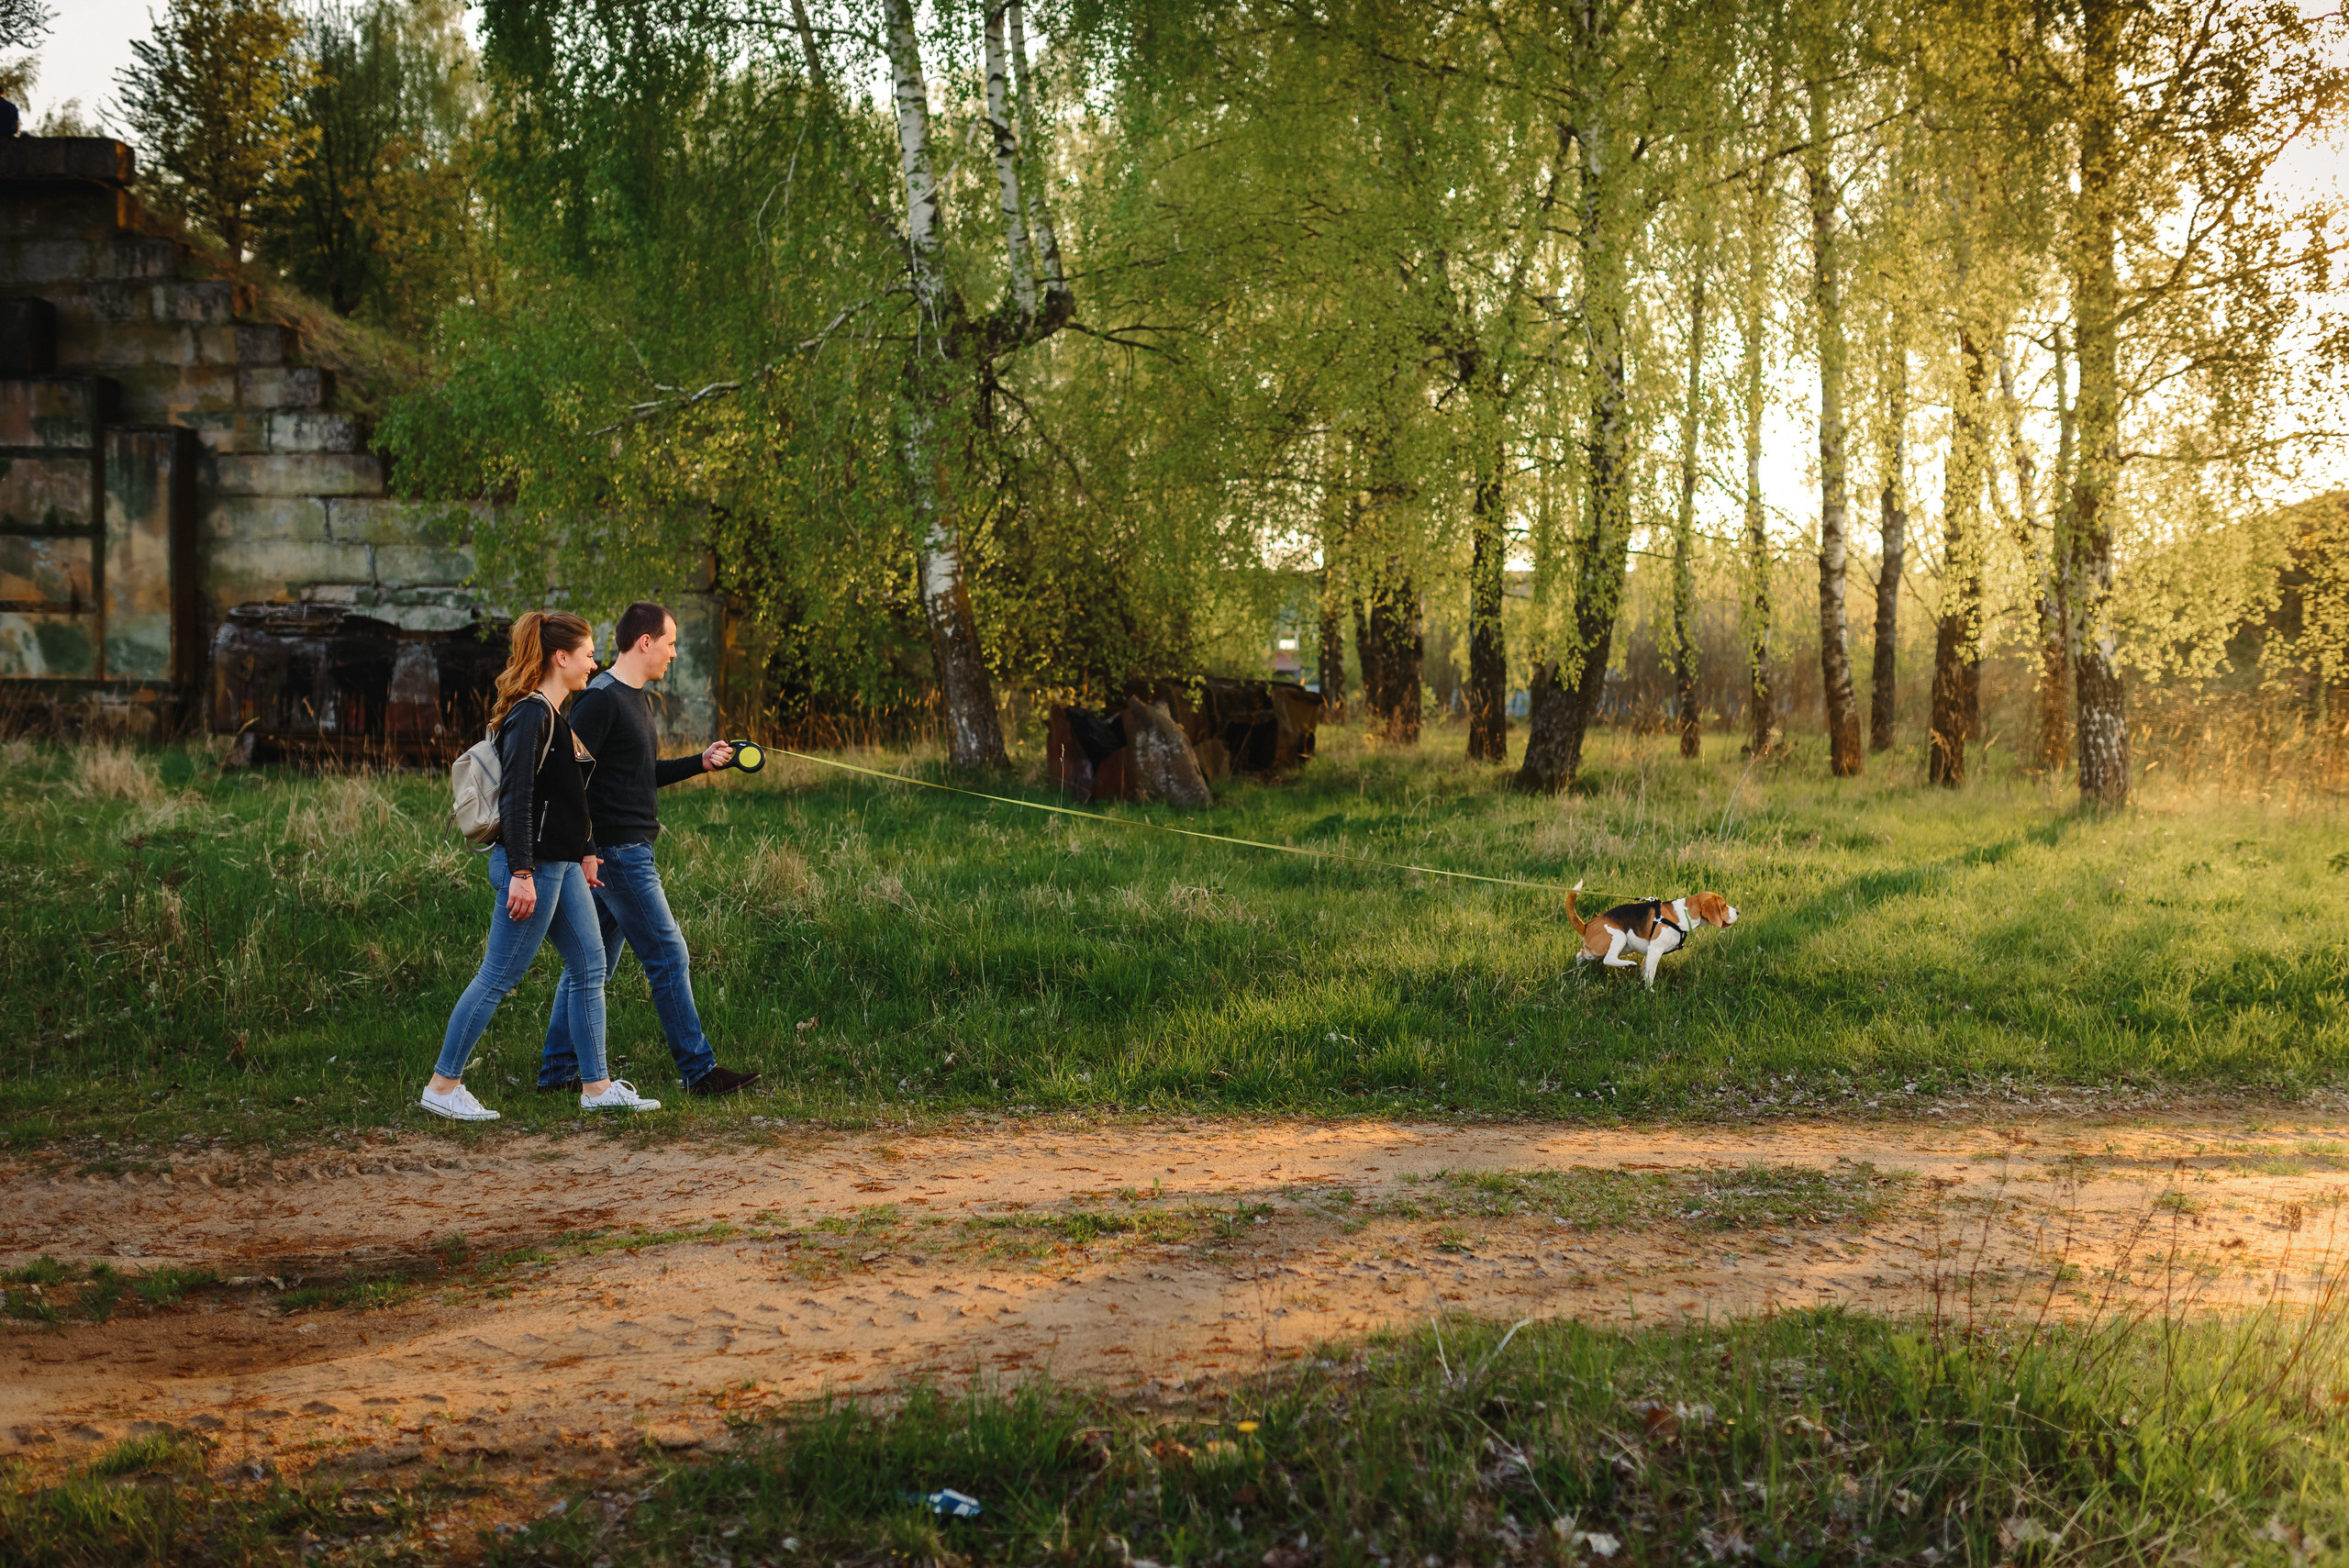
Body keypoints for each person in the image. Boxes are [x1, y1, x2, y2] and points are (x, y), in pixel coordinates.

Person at [423, 611, 662, 1121]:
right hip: (531, 866)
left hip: (559, 865)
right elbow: (519, 798)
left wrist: (588, 851)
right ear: (561, 657)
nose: (594, 663)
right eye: (588, 653)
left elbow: (571, 795)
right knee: (499, 975)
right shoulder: (533, 714)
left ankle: (596, 1088)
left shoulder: (554, 714)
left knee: (589, 964)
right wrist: (523, 874)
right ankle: (443, 1085)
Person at [535, 601, 763, 1099]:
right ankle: (699, 1071)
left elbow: (641, 775)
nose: (674, 654)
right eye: (670, 643)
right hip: (616, 854)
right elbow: (571, 780)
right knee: (668, 955)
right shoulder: (599, 700)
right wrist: (588, 848)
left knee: (589, 965)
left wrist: (700, 764)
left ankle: (555, 1074)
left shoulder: (638, 700)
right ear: (645, 643)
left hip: (624, 850)